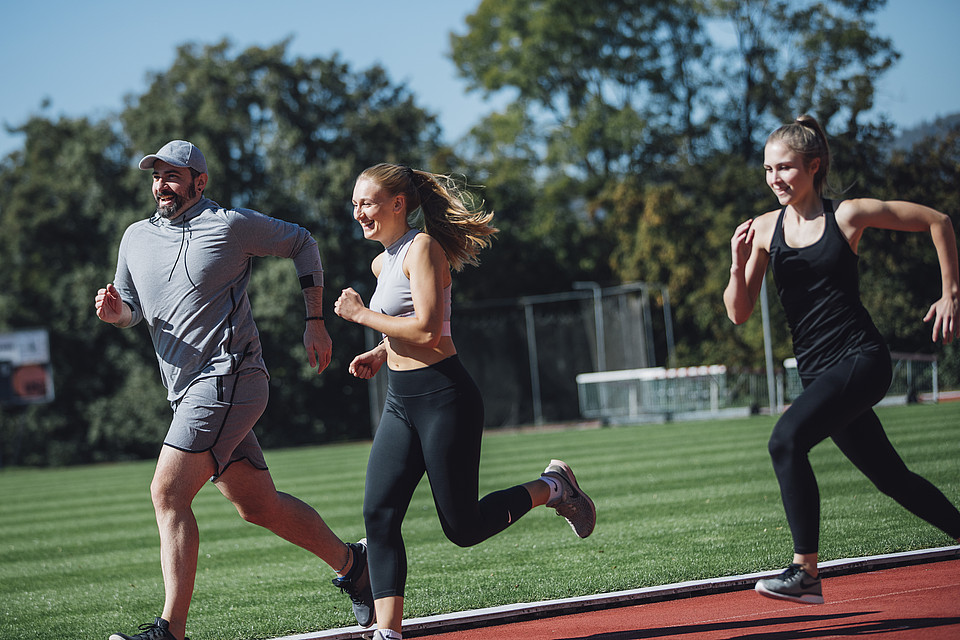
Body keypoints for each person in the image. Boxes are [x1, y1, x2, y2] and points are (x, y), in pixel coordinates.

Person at [95, 140, 374, 640]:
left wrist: (314, 321)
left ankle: (170, 631)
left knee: (168, 491)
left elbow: (303, 242)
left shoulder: (229, 225)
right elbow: (132, 308)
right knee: (258, 506)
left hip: (231, 377)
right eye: (156, 176)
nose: (162, 185)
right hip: (187, 391)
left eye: (173, 176)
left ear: (199, 183)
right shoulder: (135, 237)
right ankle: (357, 567)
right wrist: (119, 315)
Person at [333, 163, 597, 640]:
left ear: (398, 204)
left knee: (464, 527)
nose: (358, 213)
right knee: (379, 514)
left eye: (366, 203)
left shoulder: (423, 248)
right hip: (401, 401)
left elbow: (430, 329)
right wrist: (378, 353)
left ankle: (553, 486)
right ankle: (387, 633)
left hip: (444, 399)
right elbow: (413, 327)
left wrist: (362, 316)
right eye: (354, 204)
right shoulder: (382, 261)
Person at [723, 115, 960, 605]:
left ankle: (805, 572)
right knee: (893, 479)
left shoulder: (847, 216)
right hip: (818, 376)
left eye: (785, 168)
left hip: (861, 360)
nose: (775, 179)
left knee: (785, 440)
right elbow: (739, 313)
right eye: (768, 170)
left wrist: (950, 294)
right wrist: (737, 263)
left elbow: (938, 220)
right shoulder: (765, 230)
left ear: (814, 166)